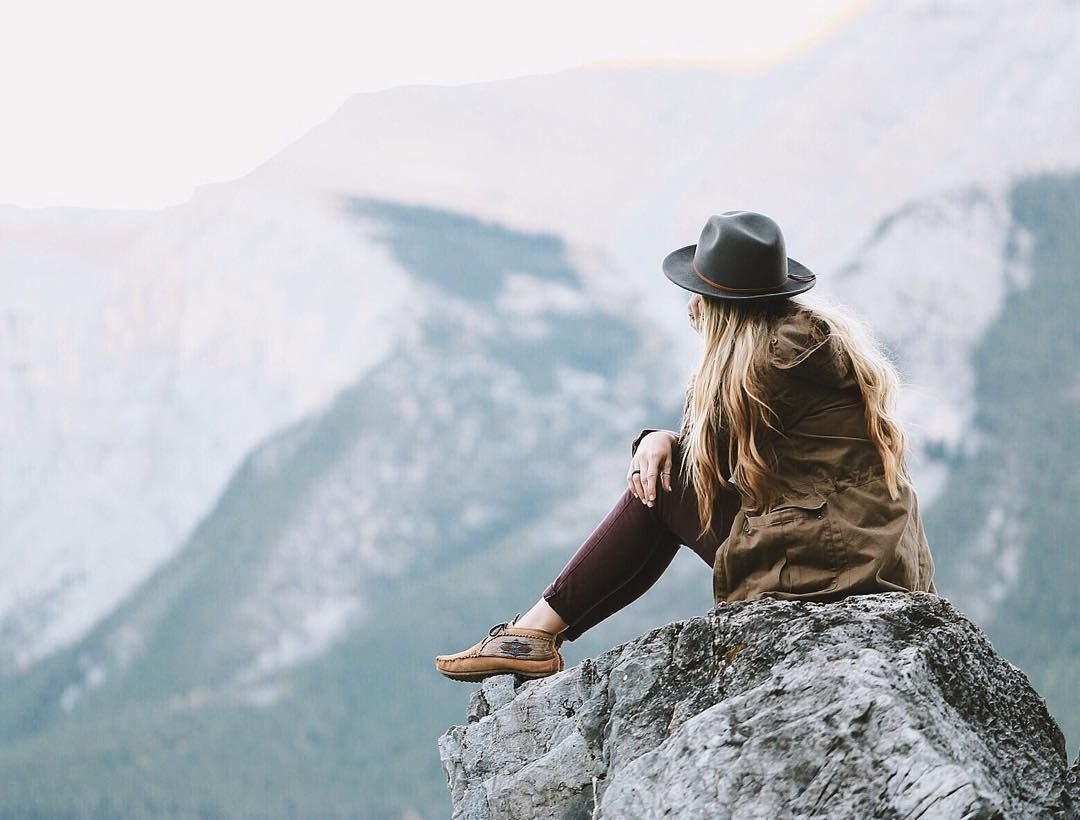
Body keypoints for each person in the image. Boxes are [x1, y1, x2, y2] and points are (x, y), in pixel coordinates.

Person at [434, 210, 937, 682]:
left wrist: (659, 443)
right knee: (665, 474)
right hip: (871, 550)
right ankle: (535, 633)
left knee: (661, 489)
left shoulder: (769, 364)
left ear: (720, 305)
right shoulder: (806, 341)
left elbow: (703, 463)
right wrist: (662, 438)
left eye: (697, 293)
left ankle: (532, 634)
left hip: (835, 562)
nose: (690, 303)